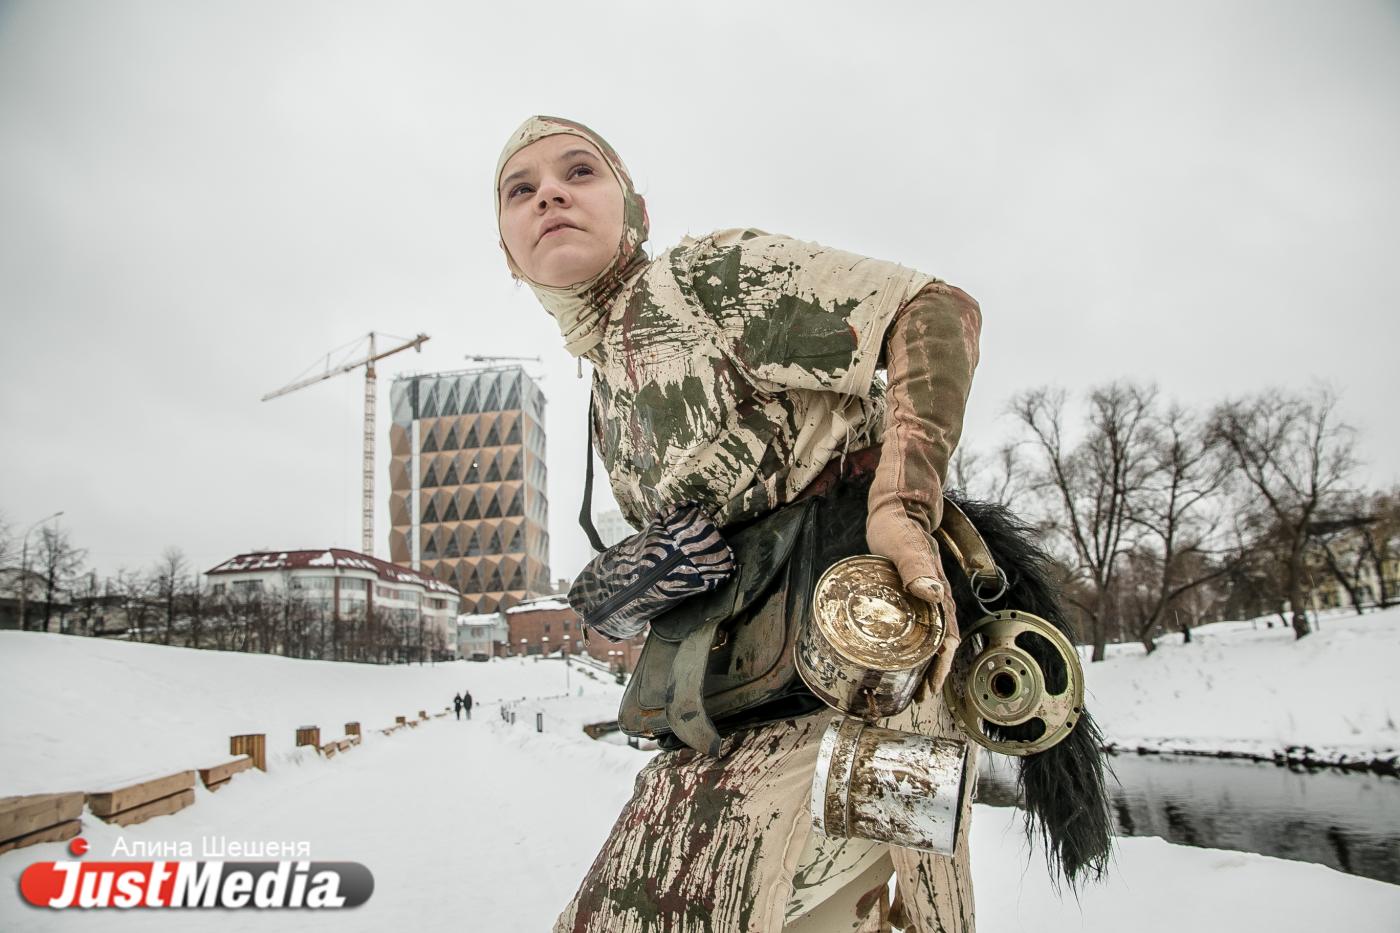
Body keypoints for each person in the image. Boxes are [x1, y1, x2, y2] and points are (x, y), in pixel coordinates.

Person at [496, 116, 982, 932]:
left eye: (579, 171)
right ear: (508, 254)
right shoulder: (605, 390)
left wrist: (901, 504)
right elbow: (696, 563)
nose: (549, 193)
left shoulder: (699, 281)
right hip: (730, 711)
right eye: (521, 189)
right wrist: (632, 577)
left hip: (860, 685)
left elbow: (933, 313)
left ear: (633, 209)